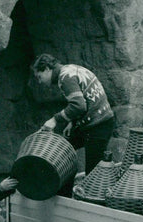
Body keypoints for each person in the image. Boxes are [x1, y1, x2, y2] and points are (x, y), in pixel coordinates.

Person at [31, 54, 115, 184]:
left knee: (92, 172)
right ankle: (65, 190)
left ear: (47, 69)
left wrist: (55, 120)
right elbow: (83, 101)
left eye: (39, 77)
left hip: (99, 124)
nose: (40, 82)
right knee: (64, 148)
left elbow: (79, 105)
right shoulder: (69, 69)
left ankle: (89, 200)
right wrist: (72, 122)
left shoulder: (65, 78)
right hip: (95, 121)